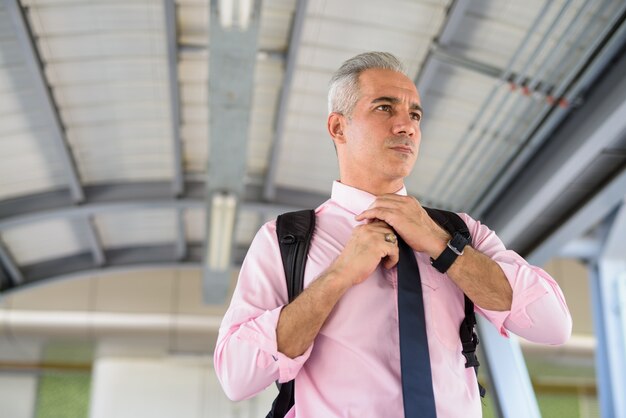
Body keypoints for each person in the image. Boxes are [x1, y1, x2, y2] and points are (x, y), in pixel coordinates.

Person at [214, 52, 572, 417]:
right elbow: (237, 376)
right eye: (385, 108)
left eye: (415, 115)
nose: (407, 126)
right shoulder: (285, 239)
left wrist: (439, 244)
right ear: (338, 128)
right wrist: (338, 276)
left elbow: (553, 325)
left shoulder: (461, 232)